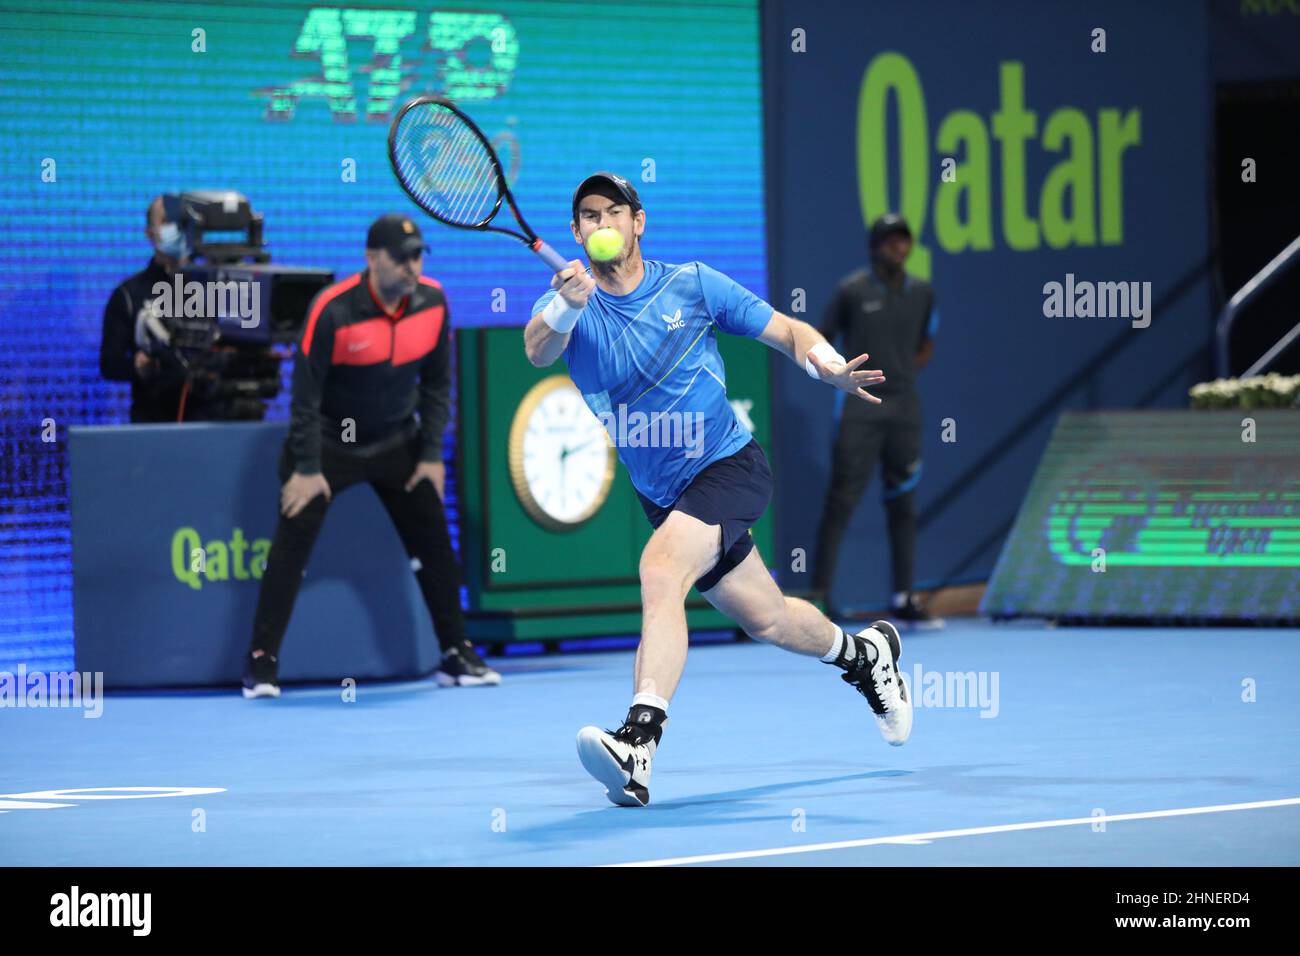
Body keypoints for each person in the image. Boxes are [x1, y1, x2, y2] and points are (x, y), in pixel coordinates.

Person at [525, 173, 912, 807]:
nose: (602, 224)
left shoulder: (693, 283)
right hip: (664, 494)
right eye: (589, 216)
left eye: (614, 212)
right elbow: (537, 350)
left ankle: (639, 743)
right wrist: (566, 303)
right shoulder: (574, 309)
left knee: (660, 569)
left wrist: (830, 367)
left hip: (728, 466)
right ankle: (865, 654)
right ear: (576, 233)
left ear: (638, 222)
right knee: (769, 618)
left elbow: (788, 331)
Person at [242, 214, 498, 698]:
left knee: (435, 544)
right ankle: (261, 661)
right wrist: (306, 468)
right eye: (401, 258)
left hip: (396, 443)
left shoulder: (434, 301)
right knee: (290, 546)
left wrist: (430, 456)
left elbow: (438, 385)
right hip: (328, 445)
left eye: (418, 256)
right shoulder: (332, 310)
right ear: (372, 258)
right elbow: (305, 399)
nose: (411, 266)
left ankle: (455, 653)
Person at [812, 214, 941, 626]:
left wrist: (900, 373)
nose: (897, 248)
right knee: (842, 500)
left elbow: (926, 344)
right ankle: (820, 598)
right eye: (888, 241)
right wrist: (842, 376)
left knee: (903, 501)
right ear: (874, 247)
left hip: (904, 409)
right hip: (859, 407)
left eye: (903, 241)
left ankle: (903, 596)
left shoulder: (923, 292)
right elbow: (820, 339)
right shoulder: (851, 291)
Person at [98, 196, 217, 422]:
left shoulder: (216, 287)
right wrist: (138, 366)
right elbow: (109, 364)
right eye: (166, 221)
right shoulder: (128, 294)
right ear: (150, 234)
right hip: (152, 423)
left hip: (210, 421)